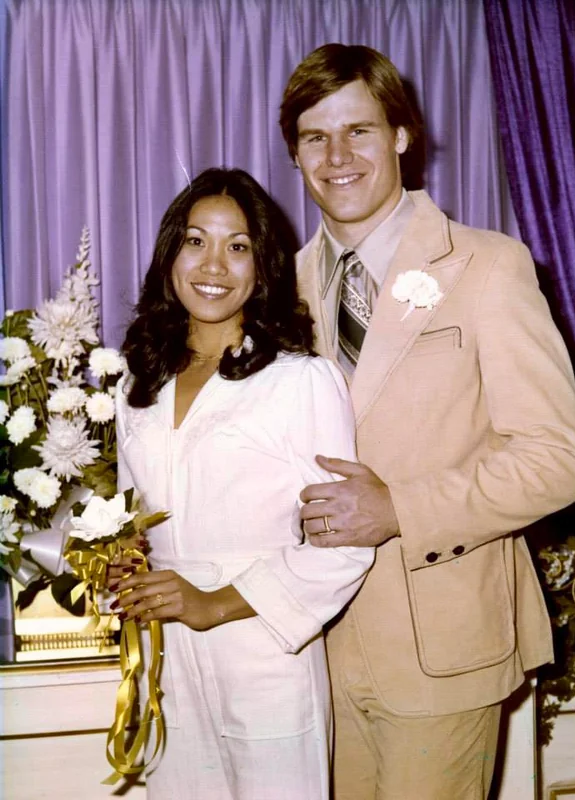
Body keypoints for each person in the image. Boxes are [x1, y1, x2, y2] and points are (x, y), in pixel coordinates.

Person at [279, 44, 575, 800]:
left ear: (401, 136)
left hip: (442, 651)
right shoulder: (280, 287)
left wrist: (401, 510)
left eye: (358, 130)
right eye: (316, 138)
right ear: (294, 154)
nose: (338, 155)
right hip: (306, 655)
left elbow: (558, 459)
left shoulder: (488, 266)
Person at [108, 167, 374, 800]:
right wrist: (122, 560)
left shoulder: (299, 380)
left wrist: (211, 603)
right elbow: (130, 517)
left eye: (238, 246)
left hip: (262, 652)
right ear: (171, 252)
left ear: (263, 267)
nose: (214, 265)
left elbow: (344, 546)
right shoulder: (137, 383)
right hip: (163, 657)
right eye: (196, 241)